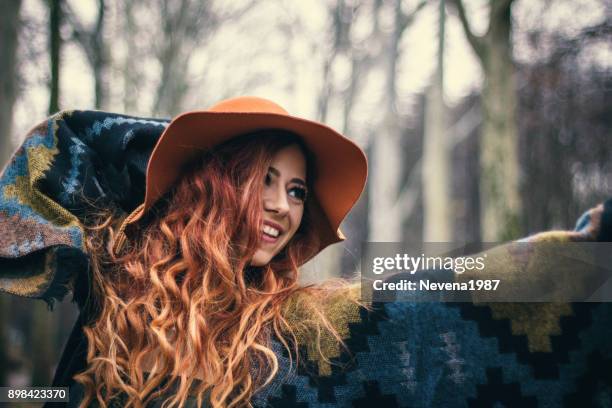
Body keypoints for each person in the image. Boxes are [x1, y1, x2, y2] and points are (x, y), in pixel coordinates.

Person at [1, 97, 612, 408]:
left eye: (296, 190)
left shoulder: (295, 331)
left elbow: (430, 300)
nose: (283, 206)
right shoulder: (119, 298)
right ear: (213, 184)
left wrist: (582, 258)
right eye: (263, 178)